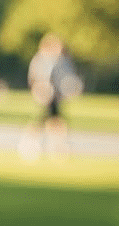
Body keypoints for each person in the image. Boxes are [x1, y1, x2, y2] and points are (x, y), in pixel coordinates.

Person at [19, 33, 82, 162]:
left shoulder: (59, 60)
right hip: (46, 95)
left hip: (54, 96)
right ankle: (51, 146)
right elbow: (37, 78)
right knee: (50, 120)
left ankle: (55, 146)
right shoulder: (43, 60)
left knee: (52, 120)